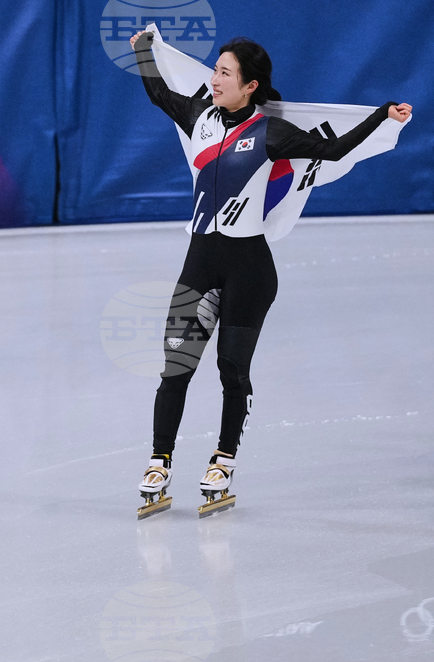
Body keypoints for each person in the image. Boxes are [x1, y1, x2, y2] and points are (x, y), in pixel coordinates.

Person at [130, 31, 412, 518]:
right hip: (200, 263)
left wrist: (381, 113)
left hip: (249, 270)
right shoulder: (198, 118)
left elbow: (336, 151)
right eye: (215, 69)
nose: (213, 79)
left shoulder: (271, 133)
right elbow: (158, 92)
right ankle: (160, 460)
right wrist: (142, 50)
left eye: (224, 73)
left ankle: (224, 458)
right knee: (176, 367)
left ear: (250, 85)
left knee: (230, 371)